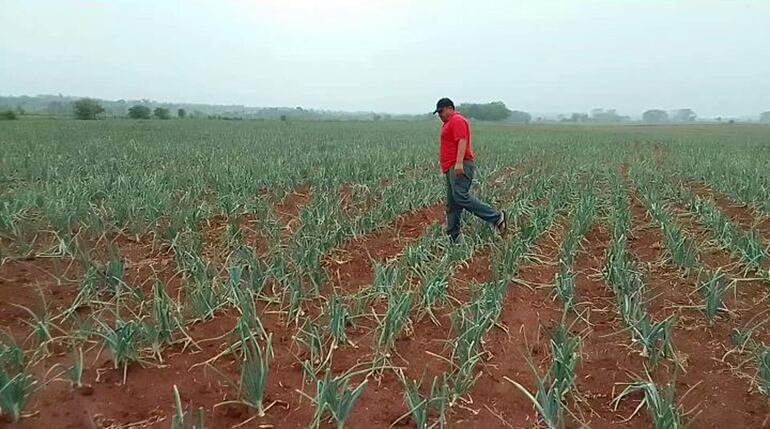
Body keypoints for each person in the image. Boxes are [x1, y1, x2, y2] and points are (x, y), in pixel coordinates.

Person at [433, 97, 507, 242]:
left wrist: (459, 163)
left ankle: (496, 217)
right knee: (452, 203)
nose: (440, 115)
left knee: (460, 196)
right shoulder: (449, 122)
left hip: (459, 165)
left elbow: (462, 140)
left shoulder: (457, 120)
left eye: (441, 112)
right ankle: (453, 237)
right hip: (450, 167)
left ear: (449, 108)